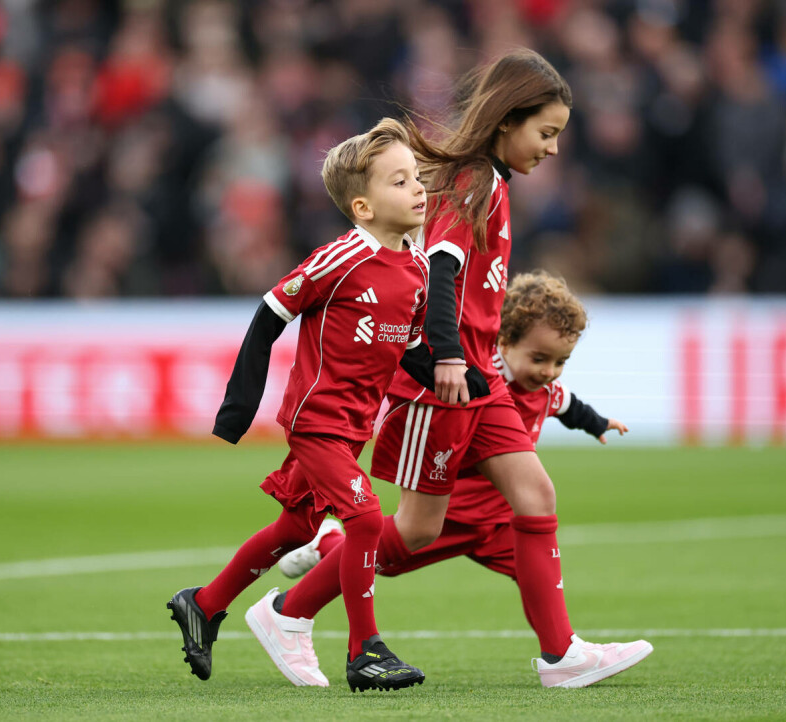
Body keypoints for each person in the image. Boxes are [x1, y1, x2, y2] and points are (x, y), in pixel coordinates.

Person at [254, 49, 652, 689]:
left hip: (482, 375)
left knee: (535, 494)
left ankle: (562, 655)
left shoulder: (490, 182)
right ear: (508, 120)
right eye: (546, 132)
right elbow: (441, 271)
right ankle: (288, 612)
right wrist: (444, 355)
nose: (552, 148)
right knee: (416, 529)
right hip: (446, 381)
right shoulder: (474, 181)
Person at [165, 117, 487, 692]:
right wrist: (237, 410)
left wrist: (466, 379)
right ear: (362, 207)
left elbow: (411, 349)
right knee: (364, 518)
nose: (418, 189)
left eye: (416, 178)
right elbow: (270, 314)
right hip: (316, 423)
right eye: (399, 182)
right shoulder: (341, 258)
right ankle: (366, 651)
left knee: (296, 527)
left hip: (354, 426)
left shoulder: (417, 268)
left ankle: (205, 604)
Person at [273, 270, 653, 688]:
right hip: (455, 515)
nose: (549, 372)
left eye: (560, 362)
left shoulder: (545, 391)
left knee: (537, 564)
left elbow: (569, 406)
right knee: (385, 559)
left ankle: (562, 653)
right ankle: (305, 582)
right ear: (503, 343)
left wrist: (598, 423)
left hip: (498, 522)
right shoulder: (481, 387)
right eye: (539, 359)